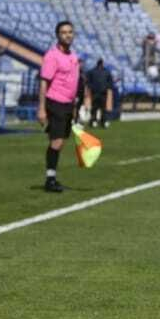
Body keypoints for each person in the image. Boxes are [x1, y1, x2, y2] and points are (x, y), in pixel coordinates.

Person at [39, 21, 84, 192]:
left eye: (70, 32)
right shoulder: (52, 56)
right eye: (64, 32)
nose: (67, 35)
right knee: (56, 141)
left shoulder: (73, 57)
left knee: (61, 141)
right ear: (57, 35)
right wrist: (41, 108)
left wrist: (75, 107)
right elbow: (44, 82)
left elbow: (74, 83)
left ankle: (52, 178)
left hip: (68, 104)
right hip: (55, 102)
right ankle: (50, 180)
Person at [85, 58, 114, 128]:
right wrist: (91, 87)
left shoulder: (105, 72)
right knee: (97, 108)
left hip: (100, 93)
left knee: (100, 108)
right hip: (97, 92)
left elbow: (110, 81)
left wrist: (107, 87)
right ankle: (95, 121)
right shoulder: (94, 71)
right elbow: (87, 80)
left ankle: (100, 121)